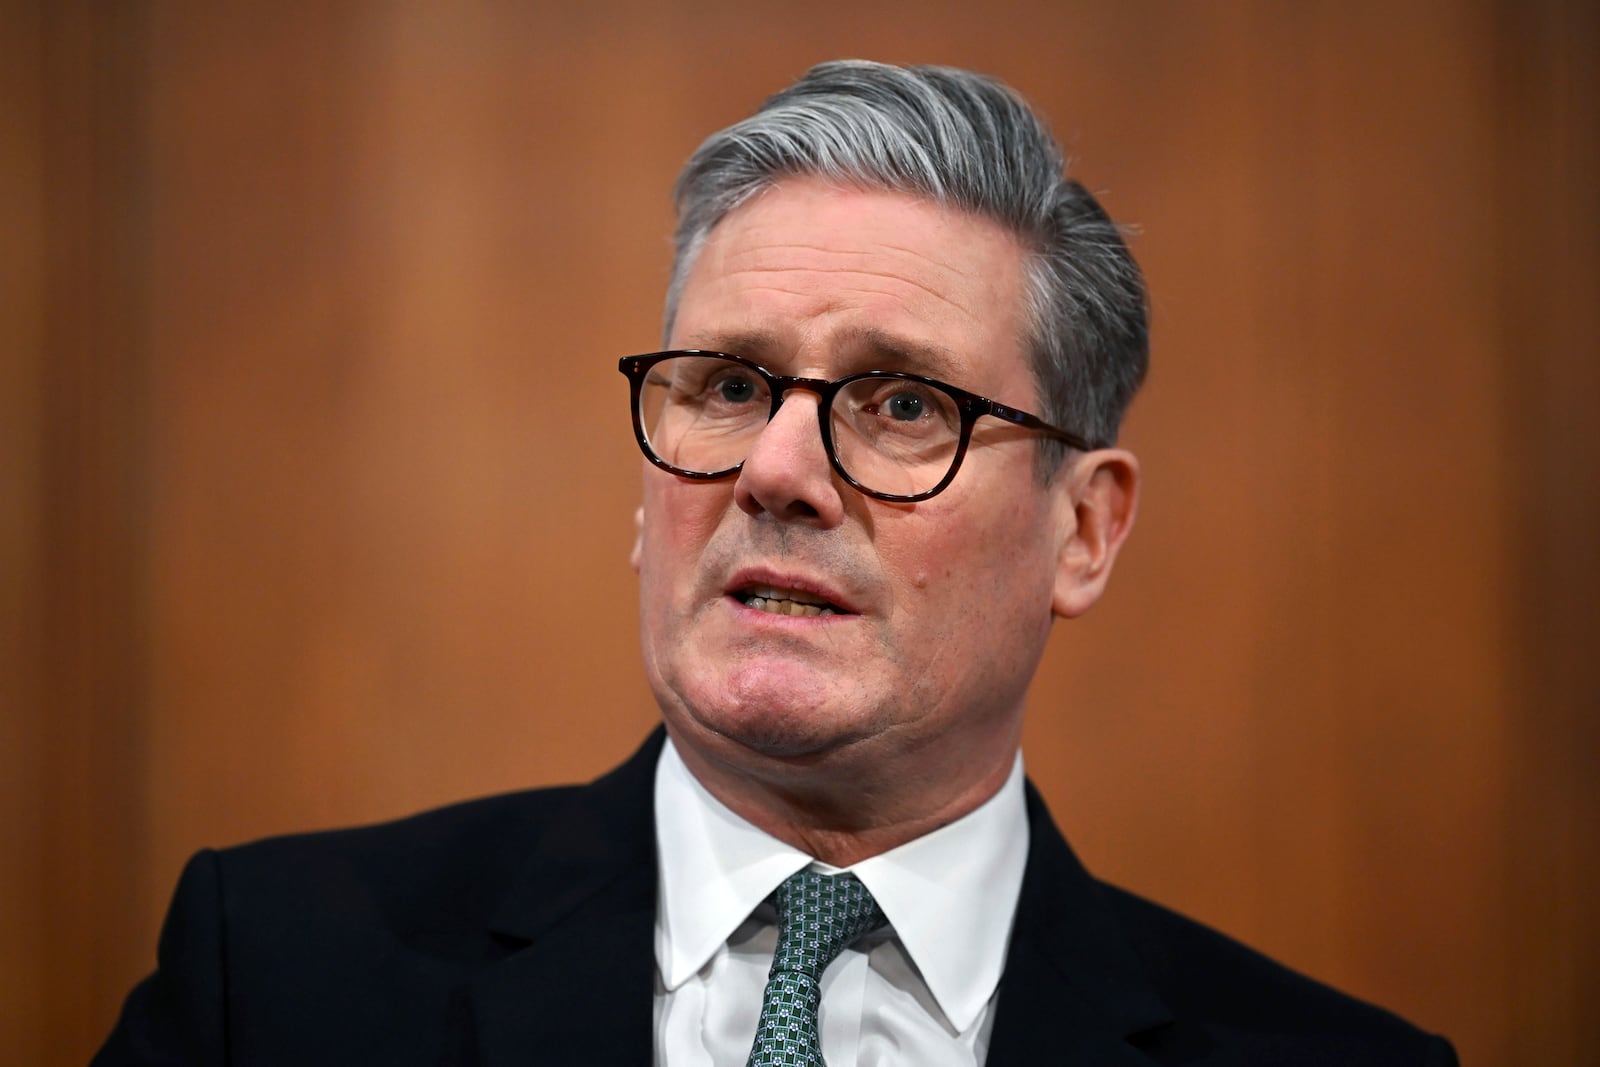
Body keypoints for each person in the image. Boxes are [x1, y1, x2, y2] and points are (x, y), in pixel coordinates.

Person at [95, 60, 1456, 1066]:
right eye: (729, 387)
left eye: (904, 405)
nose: (776, 472)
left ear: (1084, 529)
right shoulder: (274, 978)